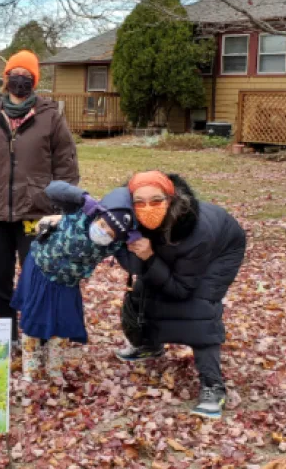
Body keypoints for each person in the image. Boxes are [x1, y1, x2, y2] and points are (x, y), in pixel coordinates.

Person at [0, 50, 79, 342]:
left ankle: (34, 331)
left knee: (36, 275)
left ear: (34, 81)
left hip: (36, 213)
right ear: (6, 79)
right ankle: (8, 331)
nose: (20, 81)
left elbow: (66, 167)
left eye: (27, 77)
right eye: (16, 74)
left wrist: (63, 209)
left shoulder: (51, 119)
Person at [115, 170, 246, 420]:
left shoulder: (196, 231)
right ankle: (149, 345)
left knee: (197, 310)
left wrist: (150, 257)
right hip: (172, 247)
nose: (147, 208)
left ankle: (212, 386)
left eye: (156, 201)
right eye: (139, 202)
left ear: (171, 199)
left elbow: (181, 288)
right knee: (144, 290)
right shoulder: (129, 219)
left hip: (220, 251)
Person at [12, 183, 139, 383]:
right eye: (103, 225)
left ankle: (54, 368)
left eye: (112, 233)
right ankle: (31, 369)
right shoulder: (81, 213)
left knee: (61, 326)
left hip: (67, 283)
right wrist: (82, 197)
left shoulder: (115, 245)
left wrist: (138, 245)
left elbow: (134, 266)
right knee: (33, 321)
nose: (104, 232)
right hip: (40, 270)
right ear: (98, 216)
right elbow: (52, 189)